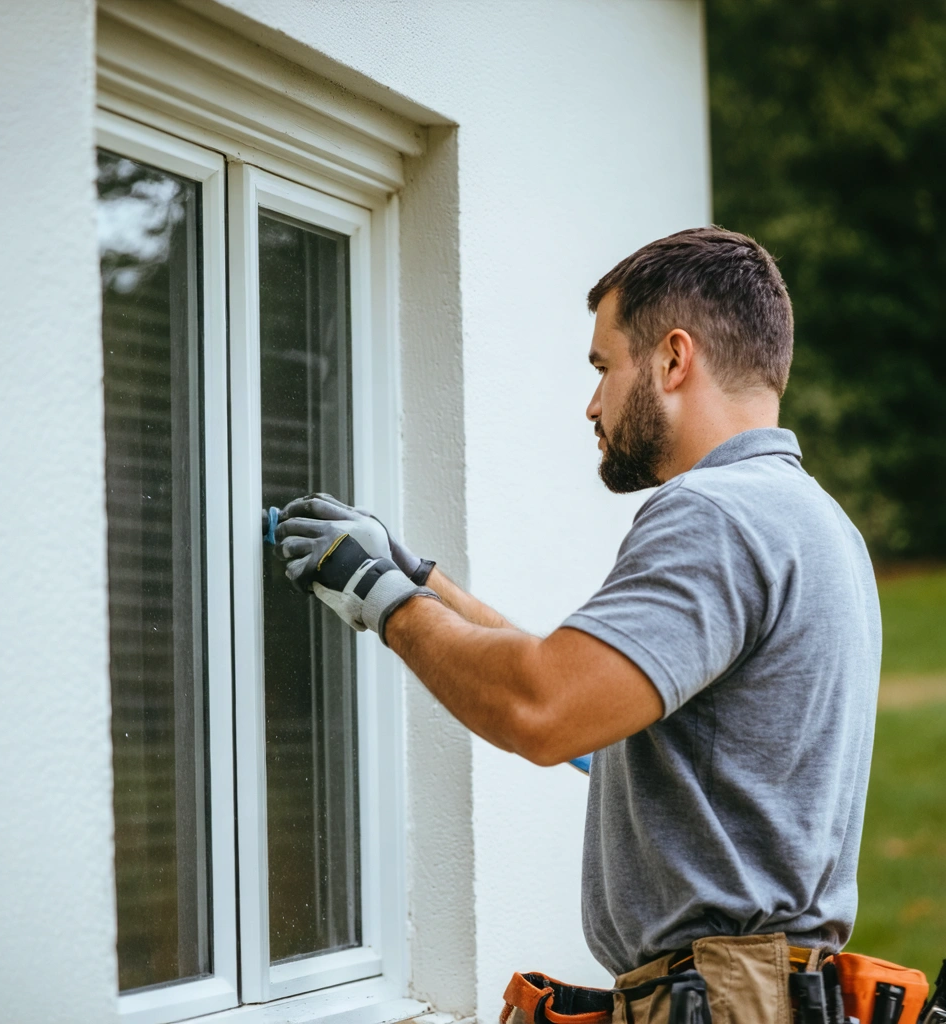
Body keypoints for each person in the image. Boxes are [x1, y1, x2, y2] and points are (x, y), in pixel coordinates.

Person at [272, 228, 881, 1024]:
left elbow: (546, 708)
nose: (592, 403)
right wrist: (423, 582)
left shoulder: (715, 515)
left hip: (727, 1002)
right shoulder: (815, 524)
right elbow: (607, 716)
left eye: (603, 368)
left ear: (672, 359)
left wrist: (375, 595)